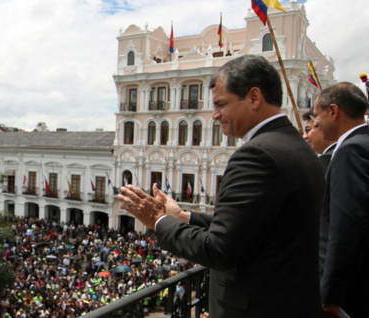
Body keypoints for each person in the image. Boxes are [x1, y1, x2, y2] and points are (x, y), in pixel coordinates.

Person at [117, 55, 324, 317]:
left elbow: (219, 250)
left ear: (254, 97)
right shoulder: (297, 146)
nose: (214, 115)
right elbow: (250, 226)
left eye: (221, 104)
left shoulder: (257, 155)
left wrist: (157, 220)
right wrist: (184, 217)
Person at [311, 82, 369, 318]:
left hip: (351, 297)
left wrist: (330, 295)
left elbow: (346, 227)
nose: (315, 123)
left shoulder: (350, 151)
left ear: (333, 112)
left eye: (317, 115)